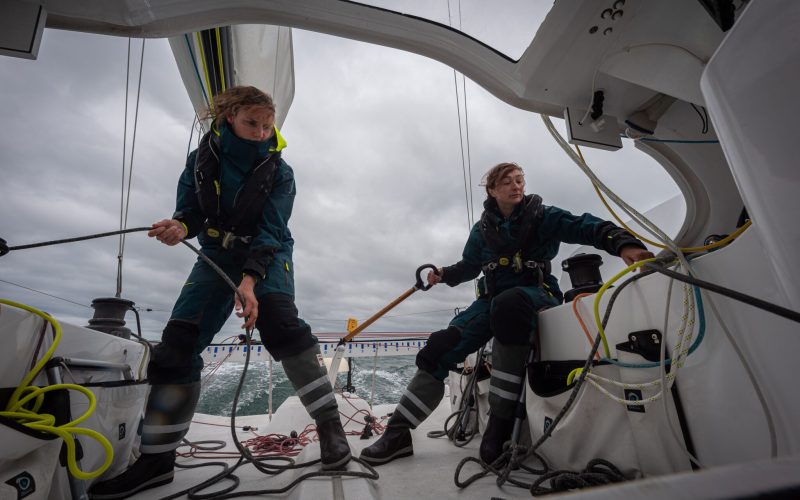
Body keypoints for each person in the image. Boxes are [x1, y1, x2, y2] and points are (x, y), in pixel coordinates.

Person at [90, 86, 350, 499]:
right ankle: (157, 461)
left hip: (267, 253)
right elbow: (190, 213)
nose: (261, 132)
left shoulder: (280, 171)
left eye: (268, 125)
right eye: (252, 123)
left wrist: (249, 281)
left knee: (282, 328)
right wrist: (180, 227)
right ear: (229, 116)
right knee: (177, 345)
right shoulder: (200, 160)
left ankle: (331, 430)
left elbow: (273, 229)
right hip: (215, 253)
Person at [359, 162, 653, 466]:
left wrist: (622, 243)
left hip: (536, 294)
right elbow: (469, 267)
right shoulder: (482, 230)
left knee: (509, 306)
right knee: (440, 345)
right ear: (492, 190)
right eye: (508, 182)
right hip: (491, 301)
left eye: (520, 180)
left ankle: (497, 431)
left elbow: (585, 226)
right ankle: (397, 434)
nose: (517, 186)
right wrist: (443, 274)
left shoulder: (543, 216)